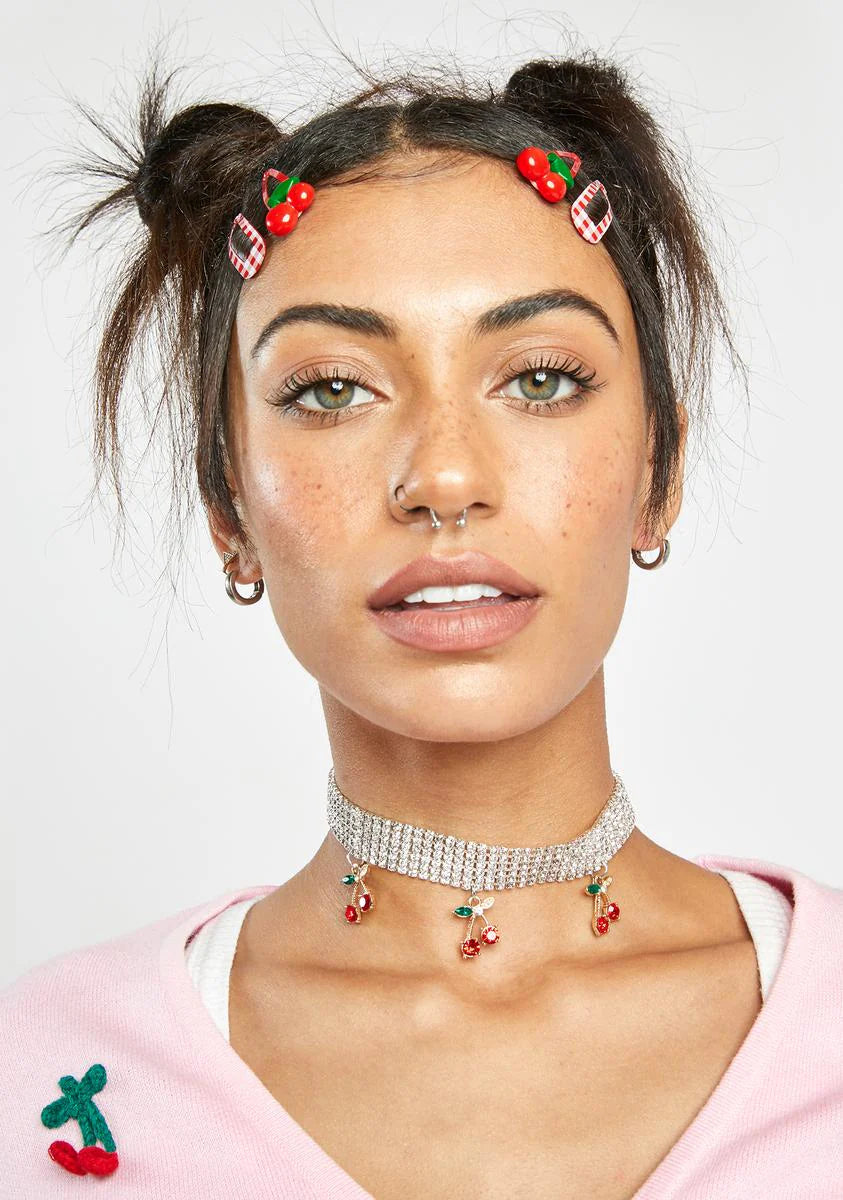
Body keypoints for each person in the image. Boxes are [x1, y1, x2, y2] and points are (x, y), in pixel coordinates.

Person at [2, 46, 841, 1200]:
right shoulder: (45, 1079)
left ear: (660, 469)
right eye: (332, 389)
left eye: (539, 377)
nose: (444, 478)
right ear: (228, 508)